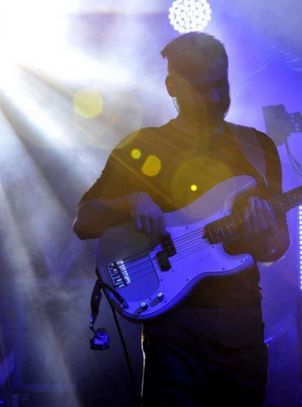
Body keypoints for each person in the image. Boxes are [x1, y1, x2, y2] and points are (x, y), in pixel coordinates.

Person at [73, 32, 290, 406]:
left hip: (240, 329)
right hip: (172, 329)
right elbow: (84, 220)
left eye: (222, 85)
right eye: (203, 89)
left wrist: (265, 233)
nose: (216, 98)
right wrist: (130, 201)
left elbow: (277, 247)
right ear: (172, 86)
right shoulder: (143, 145)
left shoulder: (258, 147)